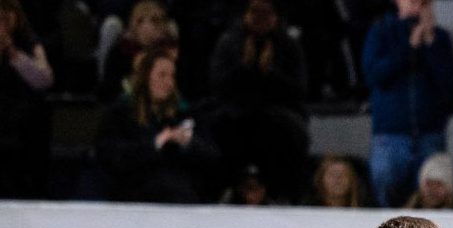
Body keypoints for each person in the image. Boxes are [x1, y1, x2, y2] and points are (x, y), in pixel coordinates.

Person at [208, 0, 310, 202]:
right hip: (235, 115)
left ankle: (284, 196)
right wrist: (244, 68)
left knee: (284, 131)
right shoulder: (229, 42)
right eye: (255, 12)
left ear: (276, 17)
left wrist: (270, 74)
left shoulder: (288, 45)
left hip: (279, 116)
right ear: (245, 14)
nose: (260, 19)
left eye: (267, 13)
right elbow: (217, 87)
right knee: (220, 127)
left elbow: (299, 91)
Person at [96, 46, 220, 203]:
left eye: (172, 76)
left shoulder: (183, 114)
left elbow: (212, 156)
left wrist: (189, 143)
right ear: (145, 76)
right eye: (162, 75)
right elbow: (112, 157)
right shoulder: (120, 114)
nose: (169, 82)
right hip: (135, 198)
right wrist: (155, 144)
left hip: (182, 199)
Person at [363, 0, 453, 208]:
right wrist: (409, 48)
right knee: (385, 188)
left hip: (430, 134)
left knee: (430, 201)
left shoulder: (440, 38)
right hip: (390, 136)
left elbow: (449, 85)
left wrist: (431, 44)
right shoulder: (380, 32)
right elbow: (374, 77)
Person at [0, 0, 54, 199]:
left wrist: (12, 52)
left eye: (6, 17)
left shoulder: (30, 43)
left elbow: (44, 80)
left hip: (22, 122)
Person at [98, 0, 173, 101]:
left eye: (156, 22)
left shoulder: (170, 52)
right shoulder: (120, 52)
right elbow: (109, 90)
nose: (148, 27)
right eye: (140, 21)